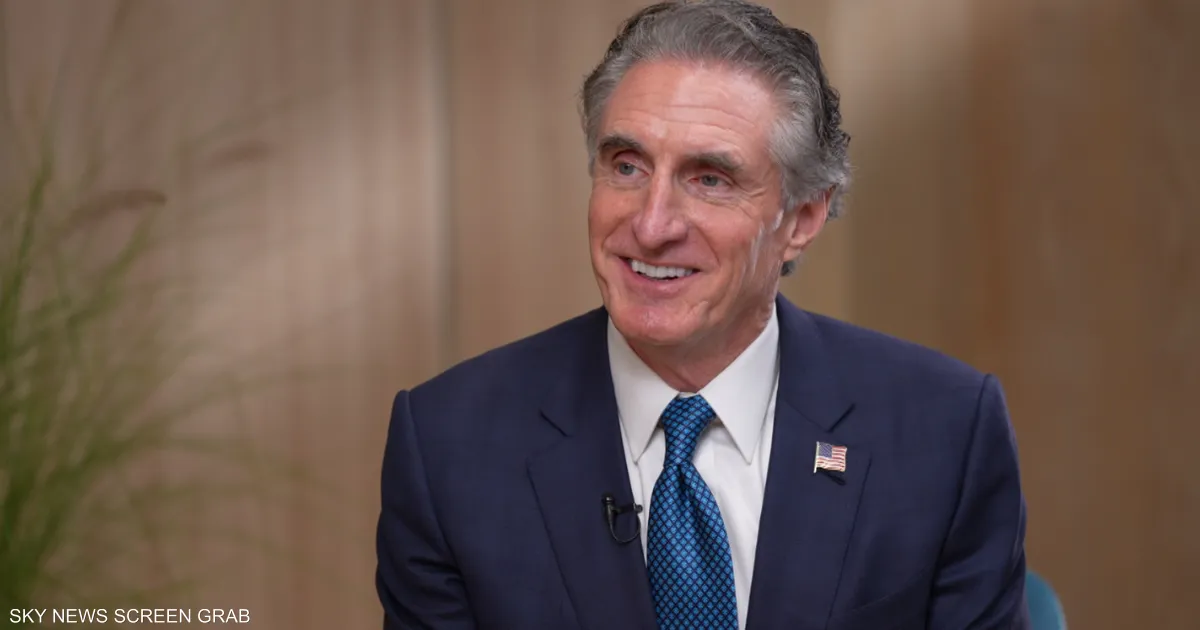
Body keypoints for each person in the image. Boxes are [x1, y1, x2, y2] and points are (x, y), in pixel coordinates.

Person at [375, 1, 1030, 628]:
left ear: (802, 218)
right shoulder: (448, 445)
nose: (651, 225)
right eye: (627, 167)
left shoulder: (943, 431)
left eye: (709, 179)